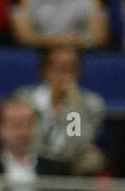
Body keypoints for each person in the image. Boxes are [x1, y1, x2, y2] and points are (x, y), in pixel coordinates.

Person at [15, 45, 107, 176]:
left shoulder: (92, 104)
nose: (65, 75)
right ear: (44, 70)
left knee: (93, 159)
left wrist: (74, 108)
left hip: (71, 166)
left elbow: (76, 147)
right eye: (59, 68)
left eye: (72, 69)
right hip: (31, 161)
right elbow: (27, 142)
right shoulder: (25, 99)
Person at [9, 0, 108, 50]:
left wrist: (78, 41)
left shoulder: (92, 1)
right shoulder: (26, 1)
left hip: (79, 50)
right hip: (40, 50)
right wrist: (50, 41)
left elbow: (99, 38)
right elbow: (24, 37)